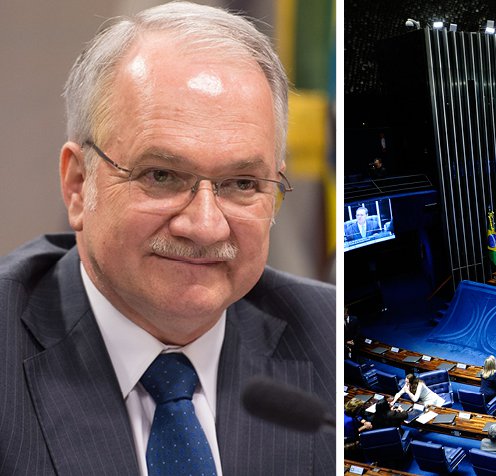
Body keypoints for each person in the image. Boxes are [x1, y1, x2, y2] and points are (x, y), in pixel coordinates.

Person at [0, 3, 336, 474]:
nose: (204, 226)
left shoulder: (327, 340)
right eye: (161, 175)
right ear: (79, 185)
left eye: (242, 183)